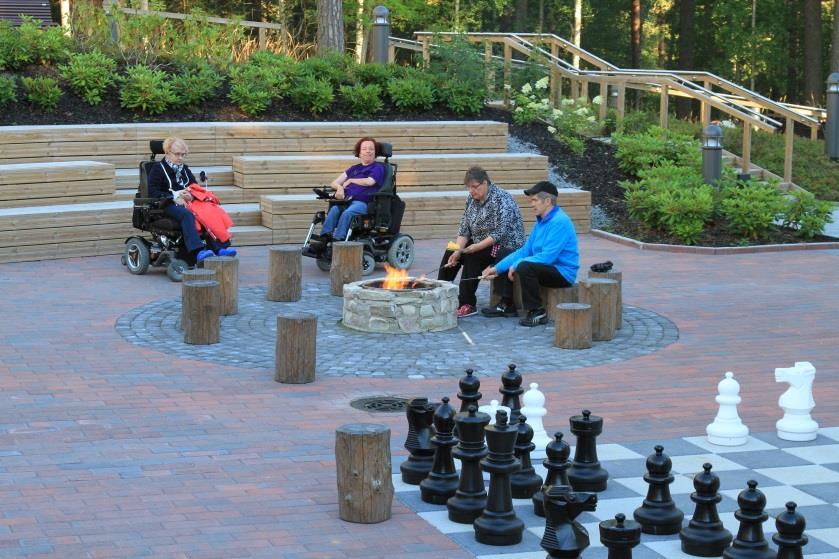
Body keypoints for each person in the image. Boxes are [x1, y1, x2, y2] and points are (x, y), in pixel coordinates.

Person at [481, 180, 579, 327]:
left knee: (525, 266)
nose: (531, 204)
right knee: (510, 254)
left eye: (534, 200)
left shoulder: (560, 222)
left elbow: (547, 257)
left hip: (563, 273)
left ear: (547, 201)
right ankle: (506, 304)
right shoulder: (541, 221)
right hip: (547, 268)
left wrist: (517, 265)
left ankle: (537, 311)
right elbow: (524, 251)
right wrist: (496, 268)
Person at [438, 166, 525, 318]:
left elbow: (499, 233)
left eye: (474, 187)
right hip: (481, 242)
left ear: (485, 183)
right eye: (469, 188)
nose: (471, 191)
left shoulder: (502, 199)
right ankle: (440, 292)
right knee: (451, 250)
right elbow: (464, 228)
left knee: (474, 255)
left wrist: (475, 247)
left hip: (504, 245)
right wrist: (458, 250)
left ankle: (467, 303)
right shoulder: (471, 199)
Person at [146, 137, 236, 265]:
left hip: (188, 202)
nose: (180, 158)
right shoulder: (157, 169)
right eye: (177, 154)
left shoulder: (184, 169)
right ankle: (198, 251)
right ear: (167, 152)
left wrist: (191, 196)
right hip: (166, 204)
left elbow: (194, 186)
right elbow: (152, 191)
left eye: (183, 155)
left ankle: (220, 248)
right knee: (187, 215)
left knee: (208, 212)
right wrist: (175, 196)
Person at [314, 137, 385, 245]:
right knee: (334, 210)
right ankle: (324, 239)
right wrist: (340, 188)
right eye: (364, 149)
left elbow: (370, 182)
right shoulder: (354, 168)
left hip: (363, 203)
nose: (368, 151)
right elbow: (334, 183)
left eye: (371, 149)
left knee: (348, 213)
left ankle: (338, 240)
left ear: (375, 152)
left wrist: (351, 180)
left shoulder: (377, 167)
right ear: (359, 152)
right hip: (346, 200)